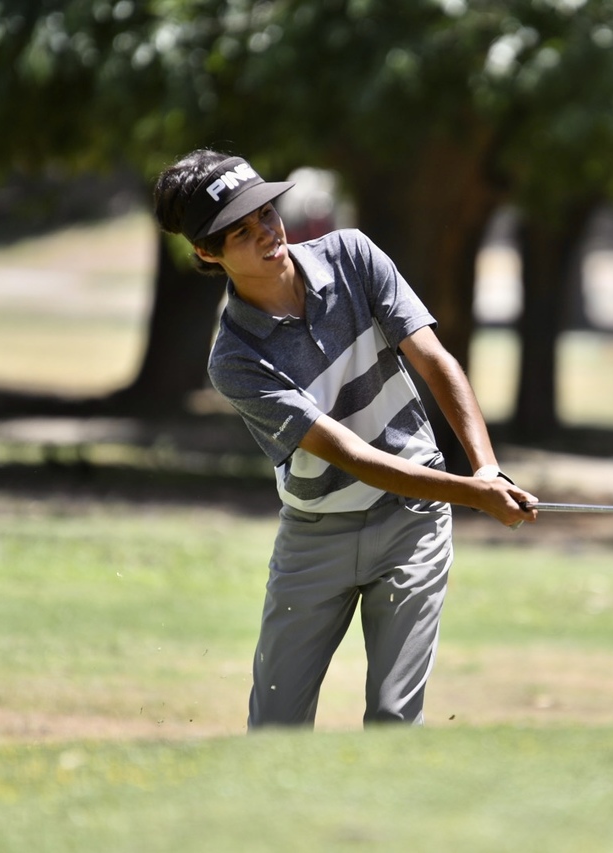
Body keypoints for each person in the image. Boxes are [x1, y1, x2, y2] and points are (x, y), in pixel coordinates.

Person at [152, 149, 537, 729]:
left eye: (265, 214)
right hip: (316, 539)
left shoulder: (351, 254)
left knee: (392, 719)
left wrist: (485, 470)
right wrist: (471, 494)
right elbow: (354, 457)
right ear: (207, 252)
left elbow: (434, 360)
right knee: (275, 728)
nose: (266, 233)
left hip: (412, 521)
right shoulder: (235, 358)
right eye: (240, 231)